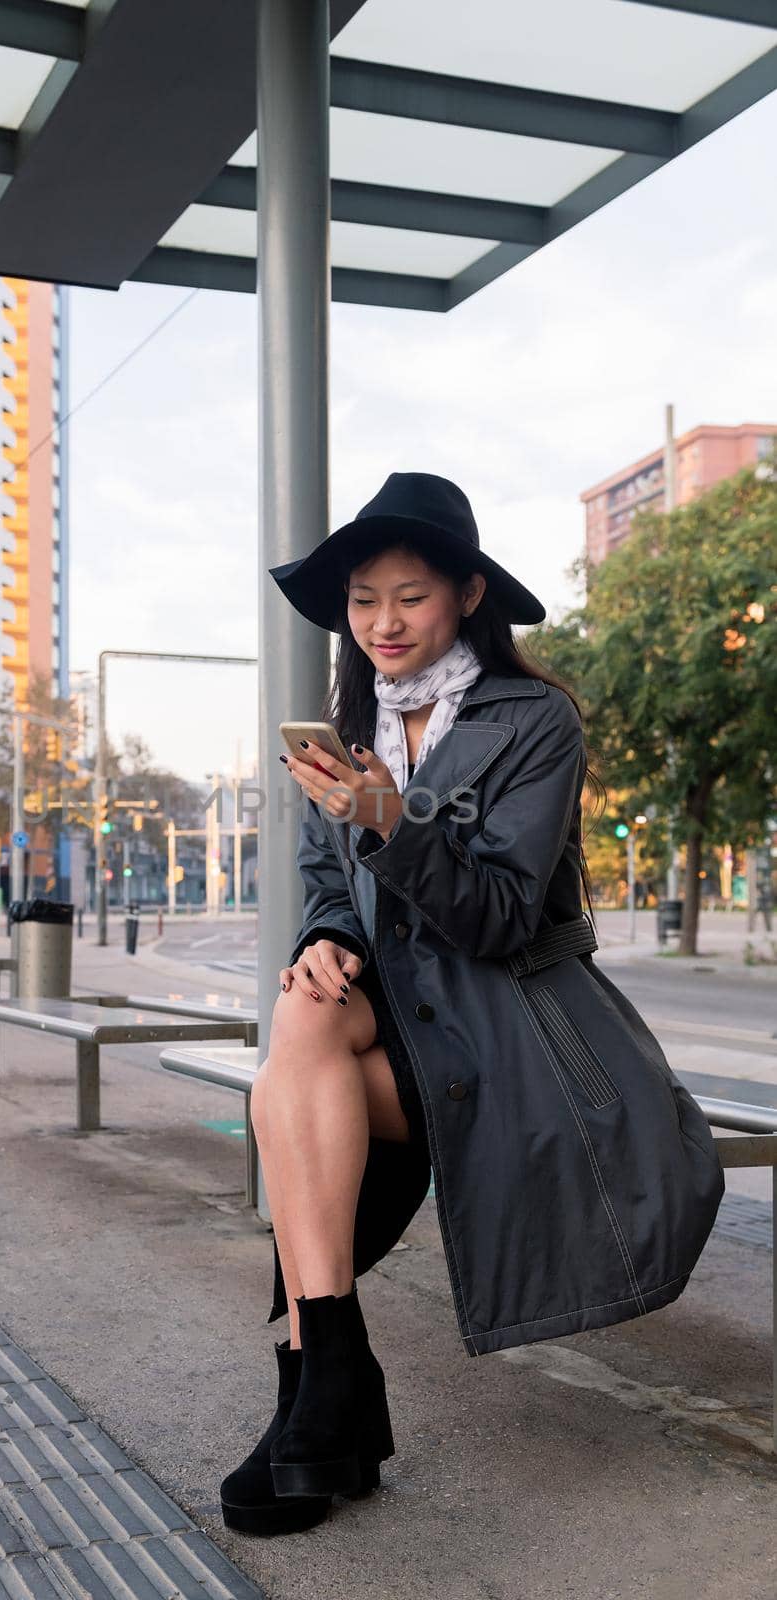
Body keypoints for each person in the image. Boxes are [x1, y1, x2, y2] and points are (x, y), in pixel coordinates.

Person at [219, 472, 725, 1538]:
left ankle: (322, 1393)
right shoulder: (349, 727)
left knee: (288, 1083)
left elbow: (497, 914)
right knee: (301, 1021)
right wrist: (319, 945)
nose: (382, 622)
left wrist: (387, 816)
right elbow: (327, 890)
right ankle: (331, 1372)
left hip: (513, 1019)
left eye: (407, 596)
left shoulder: (534, 719)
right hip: (386, 1010)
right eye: (362, 600)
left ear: (464, 594)